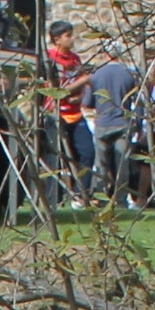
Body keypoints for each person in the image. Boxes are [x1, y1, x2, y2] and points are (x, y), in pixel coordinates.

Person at [41, 18, 91, 203]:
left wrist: (81, 94)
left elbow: (80, 83)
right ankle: (53, 197)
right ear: (56, 39)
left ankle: (80, 195)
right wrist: (83, 81)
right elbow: (55, 90)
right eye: (68, 36)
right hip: (57, 114)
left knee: (87, 153)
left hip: (75, 114)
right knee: (55, 157)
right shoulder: (50, 59)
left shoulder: (75, 59)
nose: (72, 39)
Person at [83, 40, 139, 205]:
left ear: (105, 54)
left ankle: (99, 197)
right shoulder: (129, 74)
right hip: (122, 122)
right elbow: (138, 100)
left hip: (103, 123)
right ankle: (121, 199)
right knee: (122, 164)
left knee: (101, 163)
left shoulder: (96, 75)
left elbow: (88, 102)